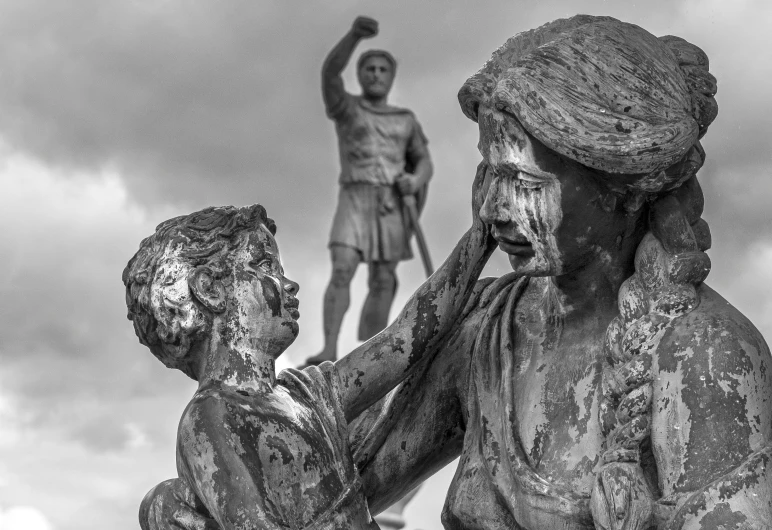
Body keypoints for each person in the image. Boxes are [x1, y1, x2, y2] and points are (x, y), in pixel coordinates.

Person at [139, 15, 772, 530]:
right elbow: (329, 481)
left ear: (622, 187)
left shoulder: (705, 356)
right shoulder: (489, 329)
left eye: (523, 183)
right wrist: (179, 504)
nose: (496, 210)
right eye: (487, 176)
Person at [124, 193, 493, 529]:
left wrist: (481, 234)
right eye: (265, 265)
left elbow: (406, 337)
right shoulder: (210, 418)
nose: (288, 284)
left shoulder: (307, 393)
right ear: (209, 290)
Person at [306, 16, 434, 365]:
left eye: (382, 70)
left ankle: (369, 351)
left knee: (383, 278)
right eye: (370, 69)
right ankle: (329, 348)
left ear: (391, 77)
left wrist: (416, 180)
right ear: (360, 75)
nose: (376, 74)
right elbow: (329, 74)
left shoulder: (405, 119)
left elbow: (424, 162)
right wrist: (353, 37)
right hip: (355, 195)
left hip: (390, 203)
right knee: (343, 267)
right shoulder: (347, 109)